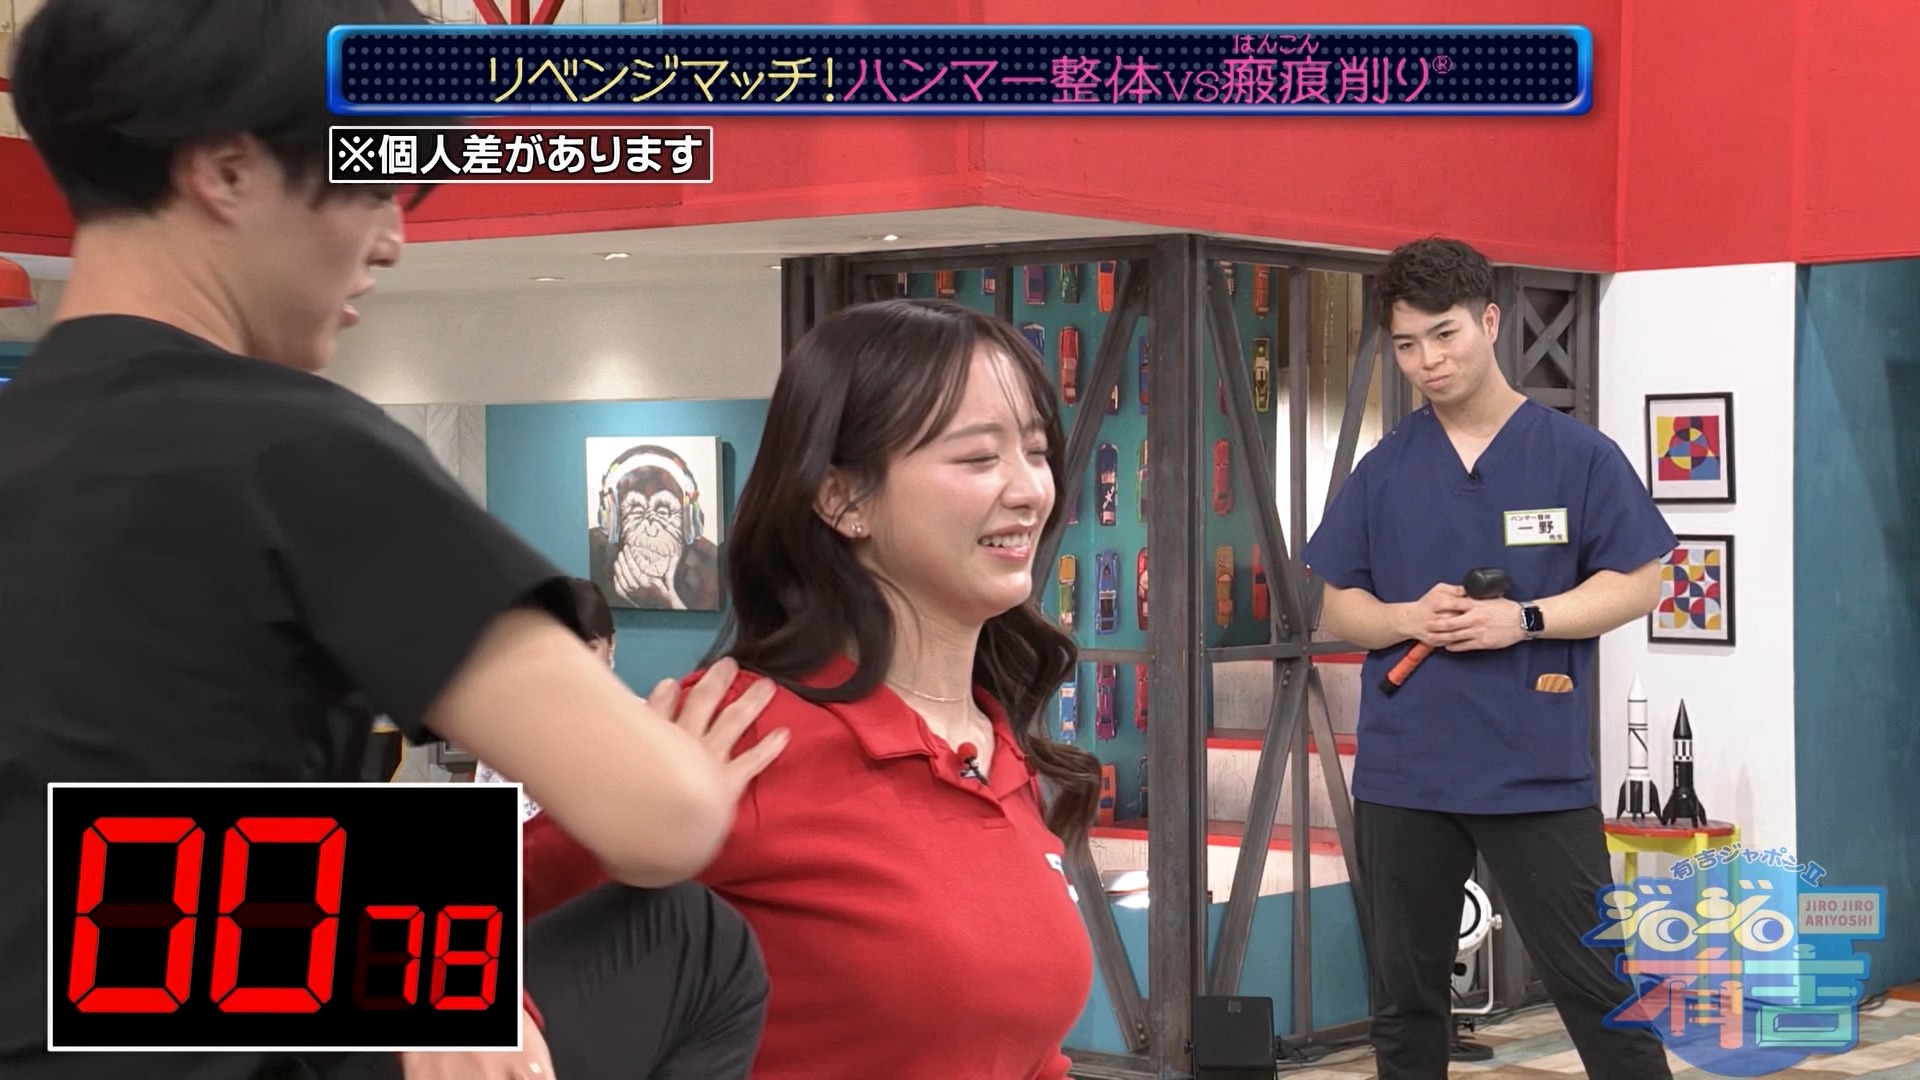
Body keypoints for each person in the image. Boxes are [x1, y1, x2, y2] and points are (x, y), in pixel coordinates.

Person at [0, 3, 785, 1079]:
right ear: (228, 171)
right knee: (697, 942)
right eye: (375, 186)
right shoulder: (298, 448)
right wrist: (410, 968)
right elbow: (662, 815)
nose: (392, 240)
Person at [517, 298, 1105, 1079]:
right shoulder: (742, 731)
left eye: (1036, 451)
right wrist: (482, 1028)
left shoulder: (997, 752)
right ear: (843, 499)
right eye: (978, 458)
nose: (1030, 490)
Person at [1299, 238, 1677, 1079]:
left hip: (1532, 771)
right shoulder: (1386, 468)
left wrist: (1526, 619)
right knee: (1405, 1008)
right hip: (1407, 776)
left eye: (1445, 334)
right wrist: (1405, 616)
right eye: (1406, 345)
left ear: (1490, 321)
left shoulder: (1575, 455)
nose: (1427, 361)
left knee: (1600, 992)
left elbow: (1639, 582)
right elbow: (1338, 606)